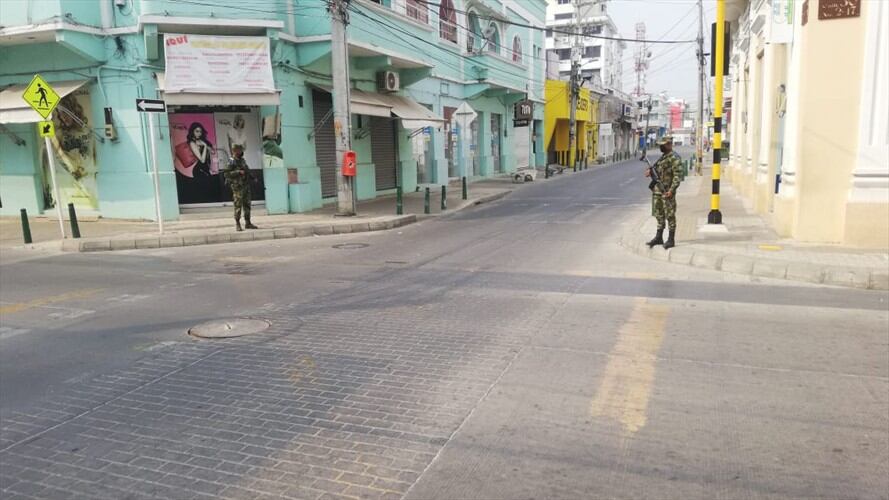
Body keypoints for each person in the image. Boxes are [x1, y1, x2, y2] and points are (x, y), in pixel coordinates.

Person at [644, 135, 683, 249]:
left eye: (663, 145)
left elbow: (677, 176)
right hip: (657, 191)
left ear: (669, 144)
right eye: (660, 145)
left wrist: (671, 190)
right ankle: (659, 237)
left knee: (670, 215)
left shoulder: (674, 158)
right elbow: (657, 171)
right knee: (659, 213)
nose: (661, 147)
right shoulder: (663, 157)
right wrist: (649, 172)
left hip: (667, 191)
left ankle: (671, 239)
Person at [223, 144, 257, 231]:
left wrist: (253, 177)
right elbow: (226, 174)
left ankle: (248, 223)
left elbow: (247, 170)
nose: (241, 152)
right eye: (240, 150)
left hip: (245, 186)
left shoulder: (242, 160)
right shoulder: (231, 161)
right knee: (238, 206)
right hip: (237, 187)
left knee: (247, 205)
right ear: (235, 151)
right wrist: (238, 172)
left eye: (241, 150)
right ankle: (238, 224)